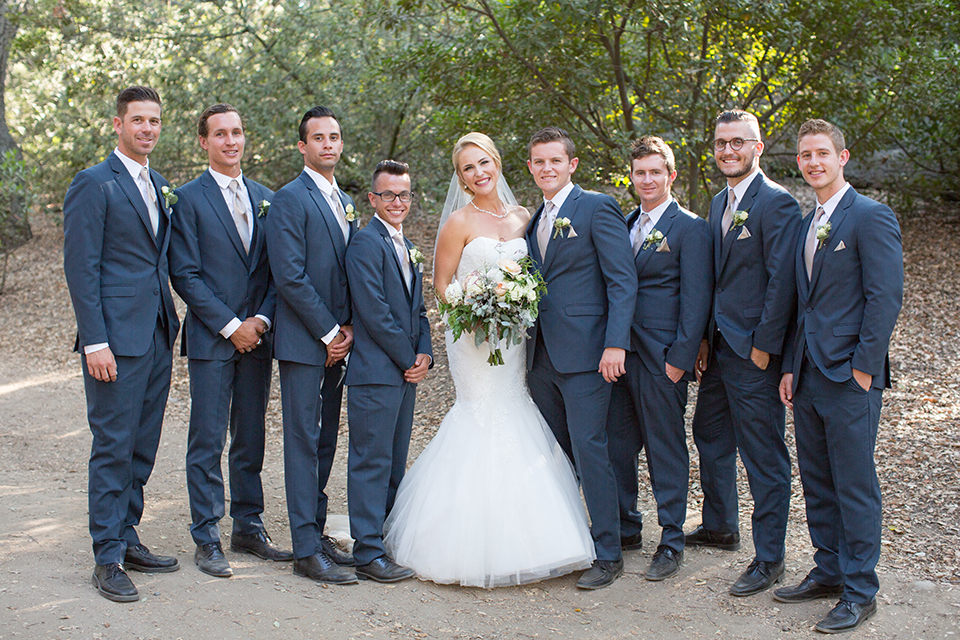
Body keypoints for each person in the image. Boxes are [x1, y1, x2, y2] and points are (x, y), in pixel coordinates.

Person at [383, 134, 595, 588]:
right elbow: (440, 286)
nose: (478, 174)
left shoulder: (525, 218)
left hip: (515, 337)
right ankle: (459, 541)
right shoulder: (457, 222)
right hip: (474, 340)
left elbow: (537, 278)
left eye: (483, 163)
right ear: (460, 178)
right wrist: (471, 312)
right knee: (480, 413)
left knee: (517, 409)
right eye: (467, 169)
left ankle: (540, 538)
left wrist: (513, 308)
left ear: (497, 163)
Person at [774, 119, 902, 634]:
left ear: (842, 157)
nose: (813, 162)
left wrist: (865, 371)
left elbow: (884, 298)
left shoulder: (870, 216)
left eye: (822, 153)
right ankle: (828, 571)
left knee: (854, 484)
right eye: (805, 155)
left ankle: (860, 589)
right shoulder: (808, 223)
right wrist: (788, 366)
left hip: (850, 377)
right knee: (819, 482)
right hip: (806, 375)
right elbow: (801, 308)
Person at [63, 86, 181, 602]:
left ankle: (127, 534)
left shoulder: (159, 184)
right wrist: (95, 342)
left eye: (154, 121)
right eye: (138, 120)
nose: (147, 129)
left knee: (142, 444)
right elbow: (81, 268)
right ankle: (106, 555)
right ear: (118, 125)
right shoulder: (94, 183)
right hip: (114, 339)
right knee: (112, 445)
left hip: (157, 332)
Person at [169, 103, 292, 579]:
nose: (230, 141)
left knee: (251, 436)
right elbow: (186, 273)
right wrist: (230, 325)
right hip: (211, 340)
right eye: (219, 134)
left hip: (258, 338)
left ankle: (248, 525)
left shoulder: (268, 197)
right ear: (204, 141)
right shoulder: (187, 199)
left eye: (237, 132)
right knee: (206, 437)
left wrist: (259, 320)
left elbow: (276, 270)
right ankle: (207, 535)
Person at [687, 110, 802, 596]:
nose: (727, 151)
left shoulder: (777, 204)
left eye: (738, 142)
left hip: (754, 351)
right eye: (720, 143)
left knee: (763, 453)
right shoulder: (718, 202)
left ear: (757, 147)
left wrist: (763, 349)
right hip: (720, 346)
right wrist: (705, 337)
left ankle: (770, 557)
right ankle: (721, 525)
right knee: (708, 430)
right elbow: (718, 279)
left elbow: (782, 283)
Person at [524, 127, 637, 590]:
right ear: (530, 167)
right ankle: (573, 540)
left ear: (572, 164)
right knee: (559, 452)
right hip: (541, 356)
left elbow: (621, 280)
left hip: (590, 354)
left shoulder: (595, 206)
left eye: (555, 160)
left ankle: (609, 552)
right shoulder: (534, 219)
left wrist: (616, 344)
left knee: (592, 450)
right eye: (538, 161)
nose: (546, 168)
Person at [606, 136, 712, 581]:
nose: (646, 179)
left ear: (671, 175)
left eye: (655, 172)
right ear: (631, 178)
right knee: (618, 445)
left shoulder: (690, 228)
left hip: (662, 357)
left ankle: (671, 539)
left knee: (666, 449)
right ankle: (627, 526)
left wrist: (679, 361)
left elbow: (697, 299)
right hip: (620, 358)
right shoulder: (626, 222)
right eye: (639, 173)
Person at [265, 106, 358, 585]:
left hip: (339, 341)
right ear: (302, 146)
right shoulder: (289, 199)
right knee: (303, 441)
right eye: (318, 137)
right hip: (306, 342)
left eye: (334, 136)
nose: (327, 144)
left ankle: (316, 530)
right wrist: (329, 332)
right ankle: (304, 549)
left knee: (325, 440)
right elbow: (290, 275)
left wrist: (351, 329)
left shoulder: (344, 199)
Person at [344, 160, 433, 583]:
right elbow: (374, 313)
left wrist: (426, 354)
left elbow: (418, 310)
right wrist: (407, 357)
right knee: (371, 461)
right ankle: (366, 552)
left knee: (395, 462)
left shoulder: (407, 245)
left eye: (404, 194)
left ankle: (383, 540)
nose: (398, 202)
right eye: (389, 195)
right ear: (373, 199)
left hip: (403, 372)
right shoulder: (365, 244)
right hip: (375, 373)